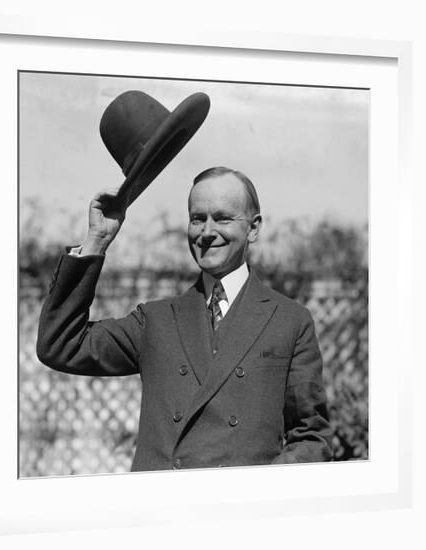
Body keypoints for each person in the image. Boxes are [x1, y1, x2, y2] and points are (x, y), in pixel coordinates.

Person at [36, 165, 333, 472]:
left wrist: (255, 490)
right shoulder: (155, 321)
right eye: (197, 219)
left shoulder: (289, 321)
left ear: (254, 228)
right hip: (161, 512)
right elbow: (60, 345)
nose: (206, 232)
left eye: (222, 218)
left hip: (240, 513)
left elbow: (311, 438)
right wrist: (97, 239)